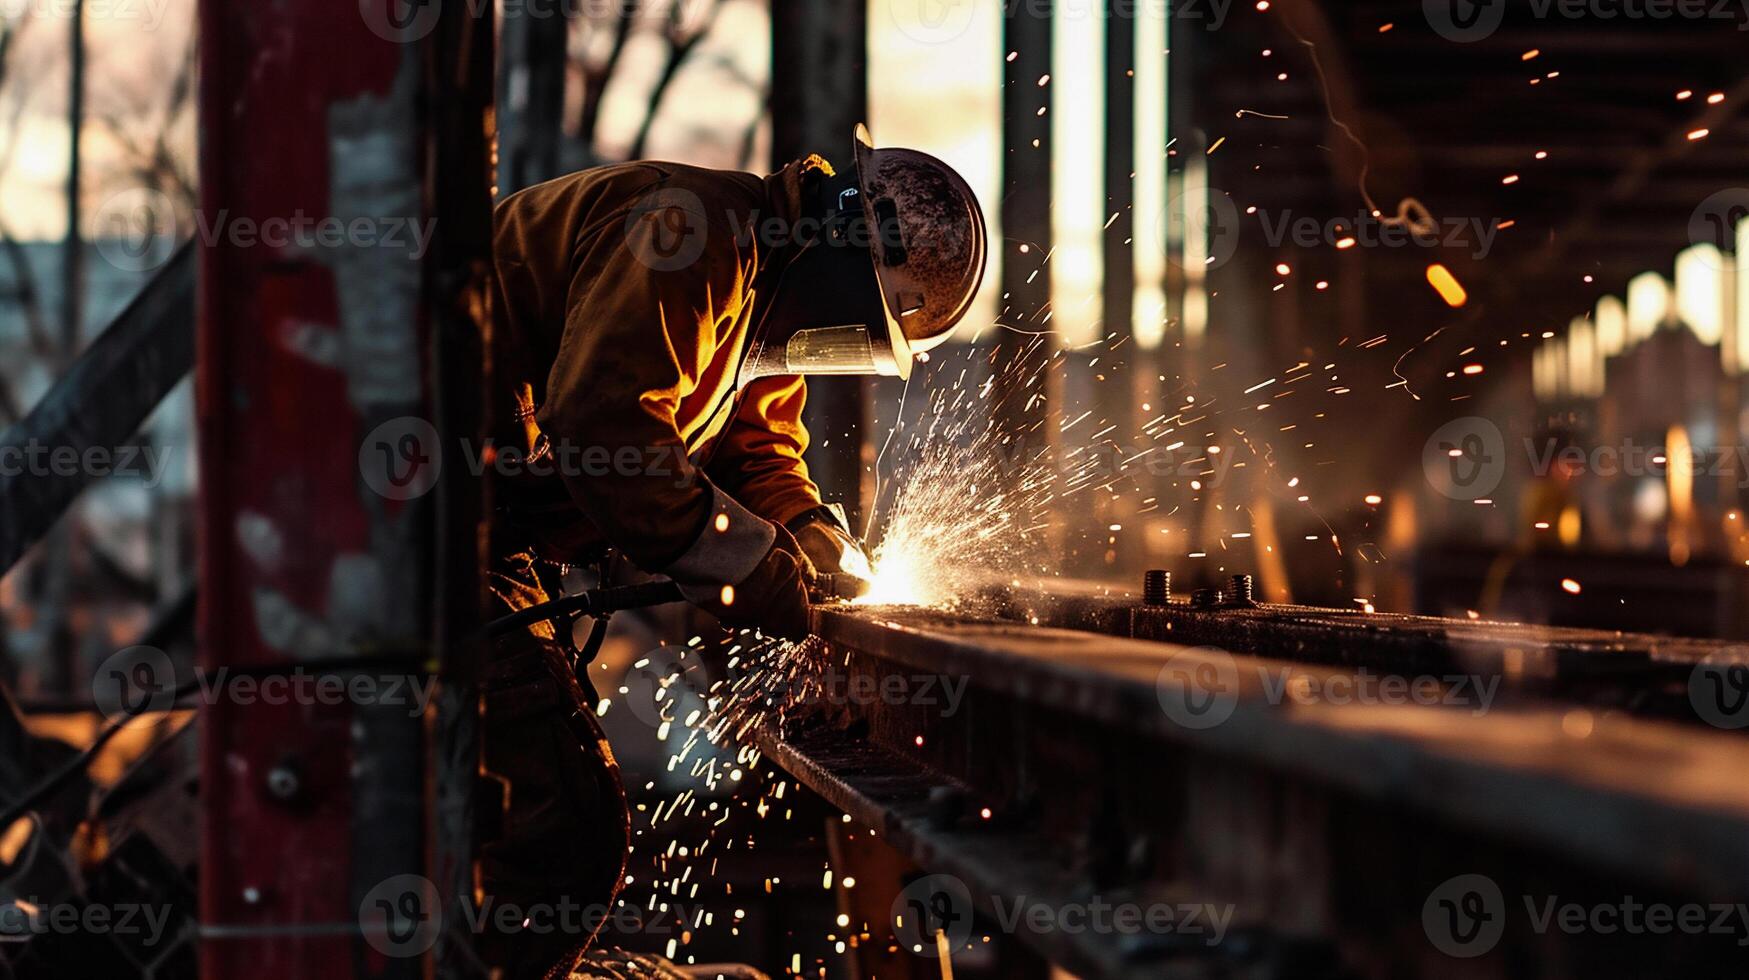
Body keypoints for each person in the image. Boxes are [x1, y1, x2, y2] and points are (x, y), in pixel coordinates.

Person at [477, 126, 986, 977]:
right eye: (869, 318)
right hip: (396, 520)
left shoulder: (759, 300)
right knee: (553, 823)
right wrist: (749, 566)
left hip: (470, 538)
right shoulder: (697, 235)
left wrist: (816, 539)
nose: (843, 345)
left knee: (533, 811)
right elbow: (606, 425)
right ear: (846, 240)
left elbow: (759, 457)